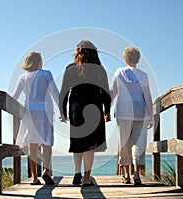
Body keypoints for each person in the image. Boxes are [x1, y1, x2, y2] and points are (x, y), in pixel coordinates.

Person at [59, 40, 111, 186]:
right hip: (94, 108)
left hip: (76, 108)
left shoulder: (70, 68)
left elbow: (64, 92)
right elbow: (106, 92)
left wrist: (62, 111)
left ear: (78, 52)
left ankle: (77, 174)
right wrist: (107, 111)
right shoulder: (99, 69)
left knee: (78, 142)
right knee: (89, 144)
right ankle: (87, 178)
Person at [12, 52, 59, 185]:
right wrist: (62, 110)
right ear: (39, 62)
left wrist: (8, 107)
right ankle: (47, 171)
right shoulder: (46, 74)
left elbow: (14, 96)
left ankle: (33, 177)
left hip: (30, 112)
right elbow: (55, 92)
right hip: (45, 111)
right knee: (46, 143)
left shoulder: (22, 77)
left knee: (32, 144)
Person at [110, 46, 154, 186]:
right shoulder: (143, 75)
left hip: (123, 112)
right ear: (138, 59)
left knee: (124, 142)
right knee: (138, 143)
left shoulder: (119, 72)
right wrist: (151, 116)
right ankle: (137, 175)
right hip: (140, 113)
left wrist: (106, 110)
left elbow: (112, 92)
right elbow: (147, 96)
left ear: (125, 58)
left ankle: (126, 175)